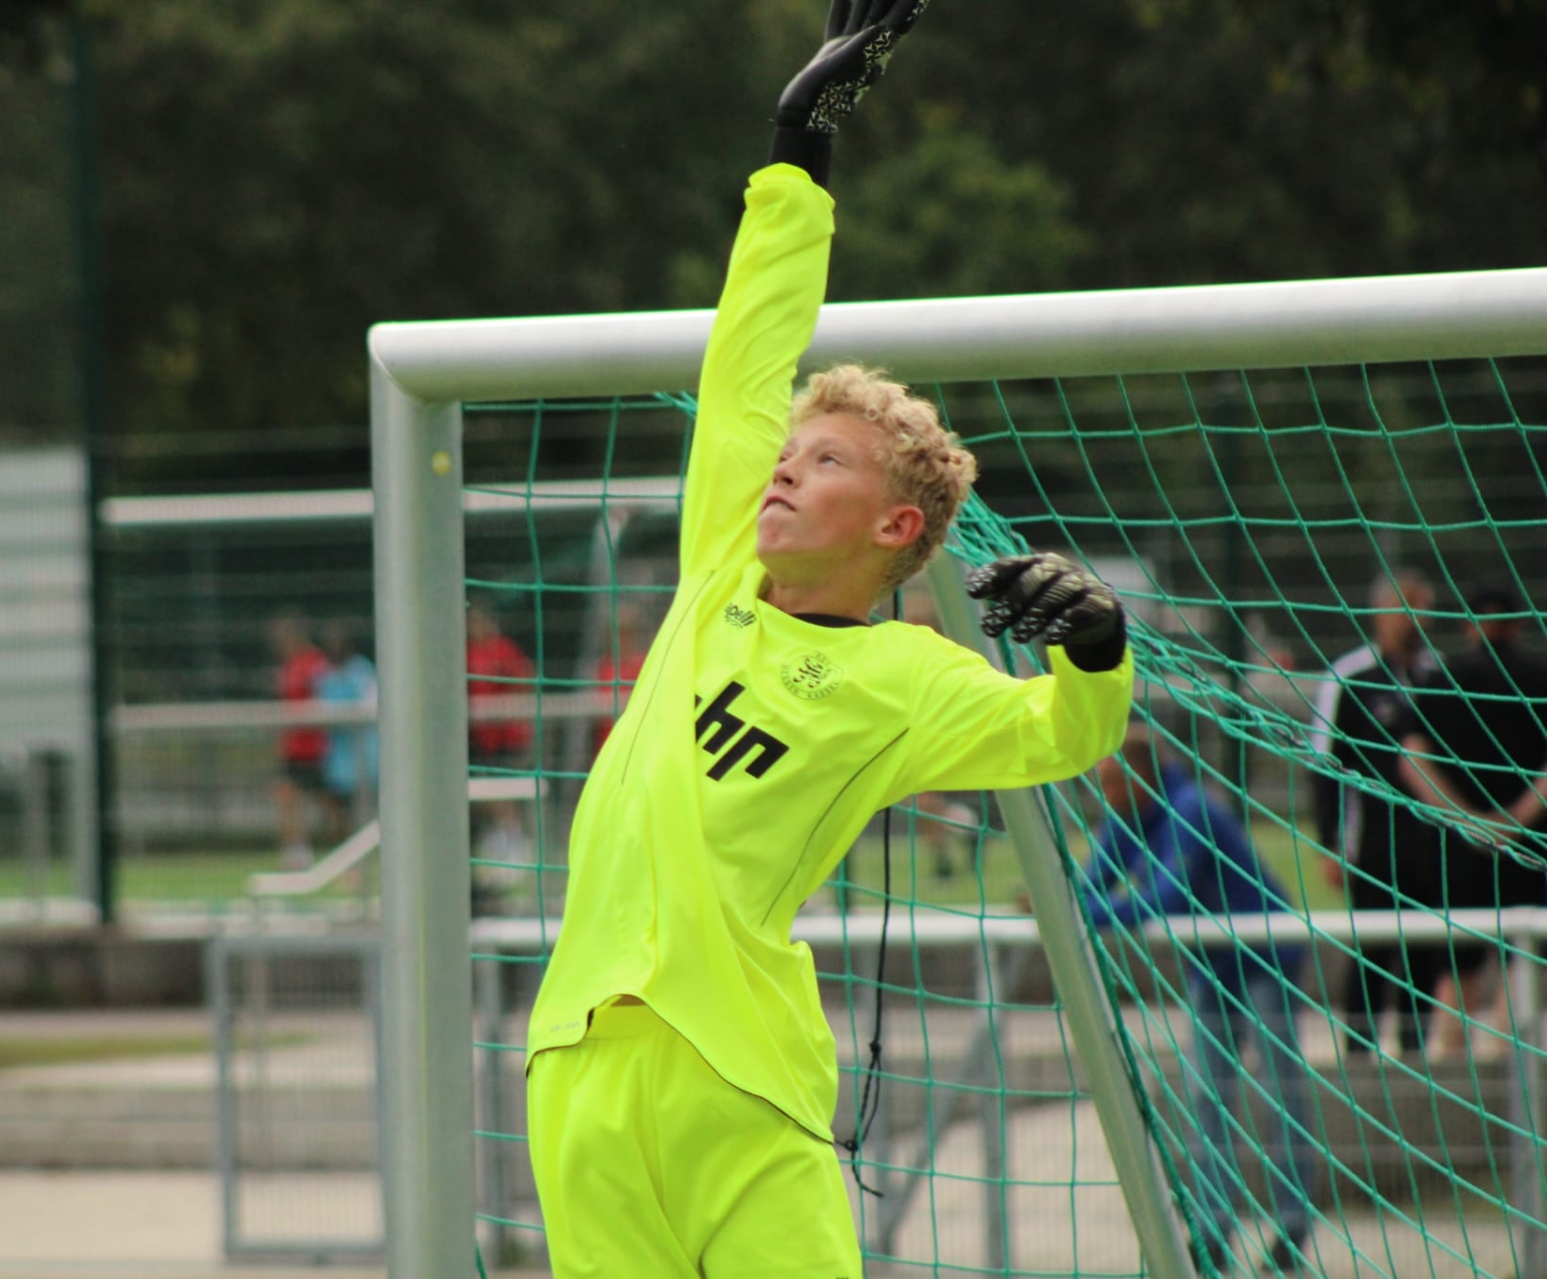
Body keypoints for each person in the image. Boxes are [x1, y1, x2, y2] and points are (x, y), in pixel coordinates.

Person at [521, 6, 1135, 1272]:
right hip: (576, 1065)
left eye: (828, 461)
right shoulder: (720, 566)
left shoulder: (903, 677)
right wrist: (800, 146)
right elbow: (750, 350)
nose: (785, 468)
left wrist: (1096, 646)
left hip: (742, 1087)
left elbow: (1060, 735)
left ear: (898, 524)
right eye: (788, 453)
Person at [1078, 725, 1318, 1273]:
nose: (1105, 795)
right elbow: (1090, 883)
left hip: (1265, 958)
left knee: (1280, 1091)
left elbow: (1165, 896)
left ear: (1142, 775)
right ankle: (1213, 1230)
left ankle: (1292, 1229)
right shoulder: (1125, 819)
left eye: (1112, 782)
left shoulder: (1192, 809)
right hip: (1210, 968)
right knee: (1206, 1094)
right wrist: (1067, 905)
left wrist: (1082, 914)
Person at [1398, 579, 1547, 1056]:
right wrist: (1514, 821)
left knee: (1456, 968)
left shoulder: (1444, 678)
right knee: (1521, 960)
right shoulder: (1540, 675)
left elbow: (1411, 760)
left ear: (1468, 625)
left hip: (1461, 847)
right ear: (1519, 624)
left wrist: (1466, 819)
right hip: (1529, 844)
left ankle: (1453, 1072)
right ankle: (1512, 1073)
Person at [1308, 570, 1439, 1058]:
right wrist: (1330, 844)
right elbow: (1324, 766)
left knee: (1424, 956)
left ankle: (1417, 1057)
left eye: (1420, 609)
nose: (1413, 620)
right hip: (1373, 848)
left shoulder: (1438, 677)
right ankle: (1360, 1059)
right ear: (1380, 614)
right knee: (1372, 954)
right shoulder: (1349, 678)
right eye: (1403, 609)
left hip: (1433, 847)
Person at [465, 601, 536, 876]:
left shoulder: (503, 651)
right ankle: (502, 838)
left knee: (505, 791)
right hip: (482, 739)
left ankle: (515, 840)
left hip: (508, 737)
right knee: (486, 792)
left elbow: (525, 679)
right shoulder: (470, 653)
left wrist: (509, 708)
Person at [269, 613, 333, 868]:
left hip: (314, 747)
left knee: (329, 803)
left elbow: (325, 698)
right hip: (294, 747)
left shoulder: (315, 663)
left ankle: (342, 851)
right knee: (286, 795)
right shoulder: (288, 666)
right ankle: (296, 851)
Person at [315, 621, 378, 830]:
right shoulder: (324, 673)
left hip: (363, 747)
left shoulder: (362, 670)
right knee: (336, 801)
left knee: (364, 801)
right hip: (337, 750)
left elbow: (371, 703)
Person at [591, 599, 654, 756]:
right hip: (608, 748)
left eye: (625, 634)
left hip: (639, 746)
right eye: (614, 634)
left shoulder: (645, 665)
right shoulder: (604, 668)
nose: (619, 640)